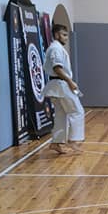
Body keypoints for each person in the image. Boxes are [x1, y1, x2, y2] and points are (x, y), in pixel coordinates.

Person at [44, 24, 84, 154]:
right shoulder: (56, 49)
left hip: (56, 86)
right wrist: (70, 81)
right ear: (56, 35)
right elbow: (57, 68)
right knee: (77, 111)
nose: (66, 38)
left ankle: (56, 143)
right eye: (64, 35)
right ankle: (73, 140)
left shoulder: (55, 48)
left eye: (67, 35)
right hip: (61, 84)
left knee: (61, 115)